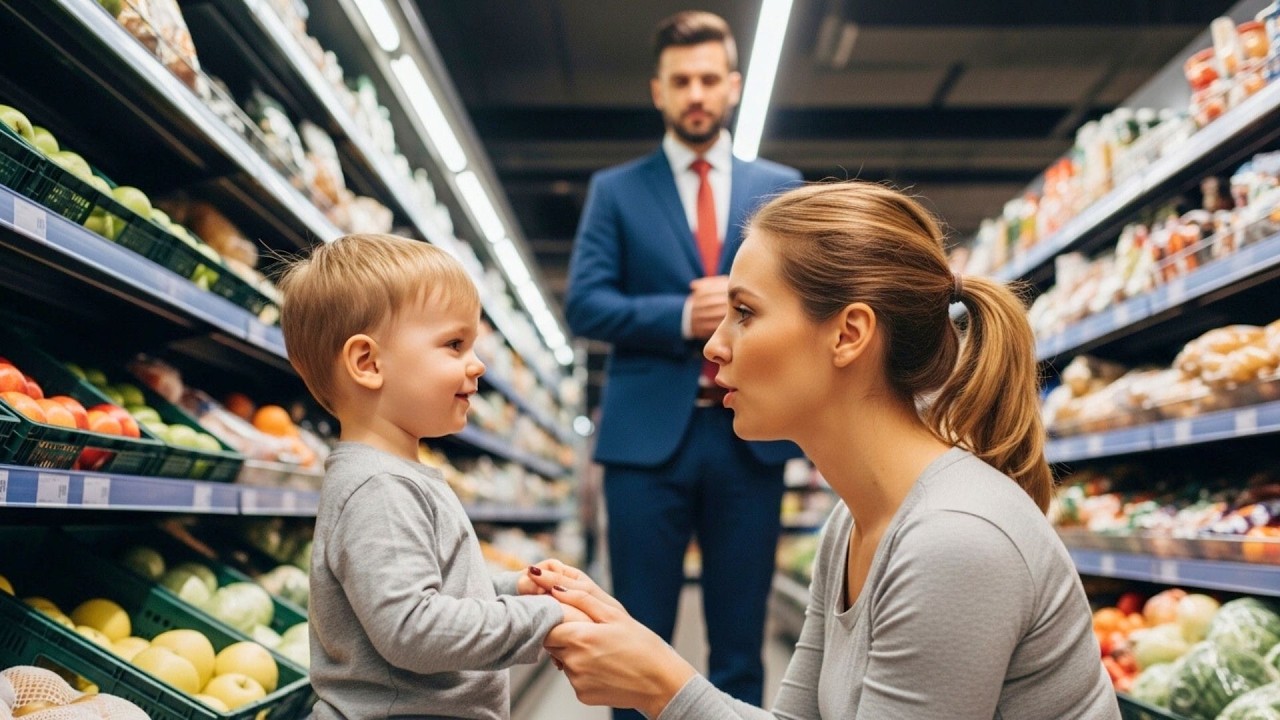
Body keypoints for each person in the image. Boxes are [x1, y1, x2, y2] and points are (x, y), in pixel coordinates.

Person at [533, 182, 1122, 719]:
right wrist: (645, 655)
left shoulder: (953, 540)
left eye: (744, 313)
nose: (713, 346)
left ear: (848, 334)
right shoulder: (853, 522)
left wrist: (661, 685)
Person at [563, 11, 802, 716]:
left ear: (731, 86)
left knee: (741, 640)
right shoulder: (617, 190)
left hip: (749, 435)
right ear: (658, 91)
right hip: (646, 443)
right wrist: (678, 315)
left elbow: (801, 298)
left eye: (708, 79)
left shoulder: (780, 184)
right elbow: (585, 304)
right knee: (631, 636)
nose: (696, 93)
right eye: (680, 81)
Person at [277, 233, 585, 720]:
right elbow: (412, 630)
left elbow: (427, 591)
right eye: (455, 344)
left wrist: (509, 590)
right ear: (368, 362)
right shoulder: (379, 488)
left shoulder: (395, 475)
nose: (478, 363)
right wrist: (545, 620)